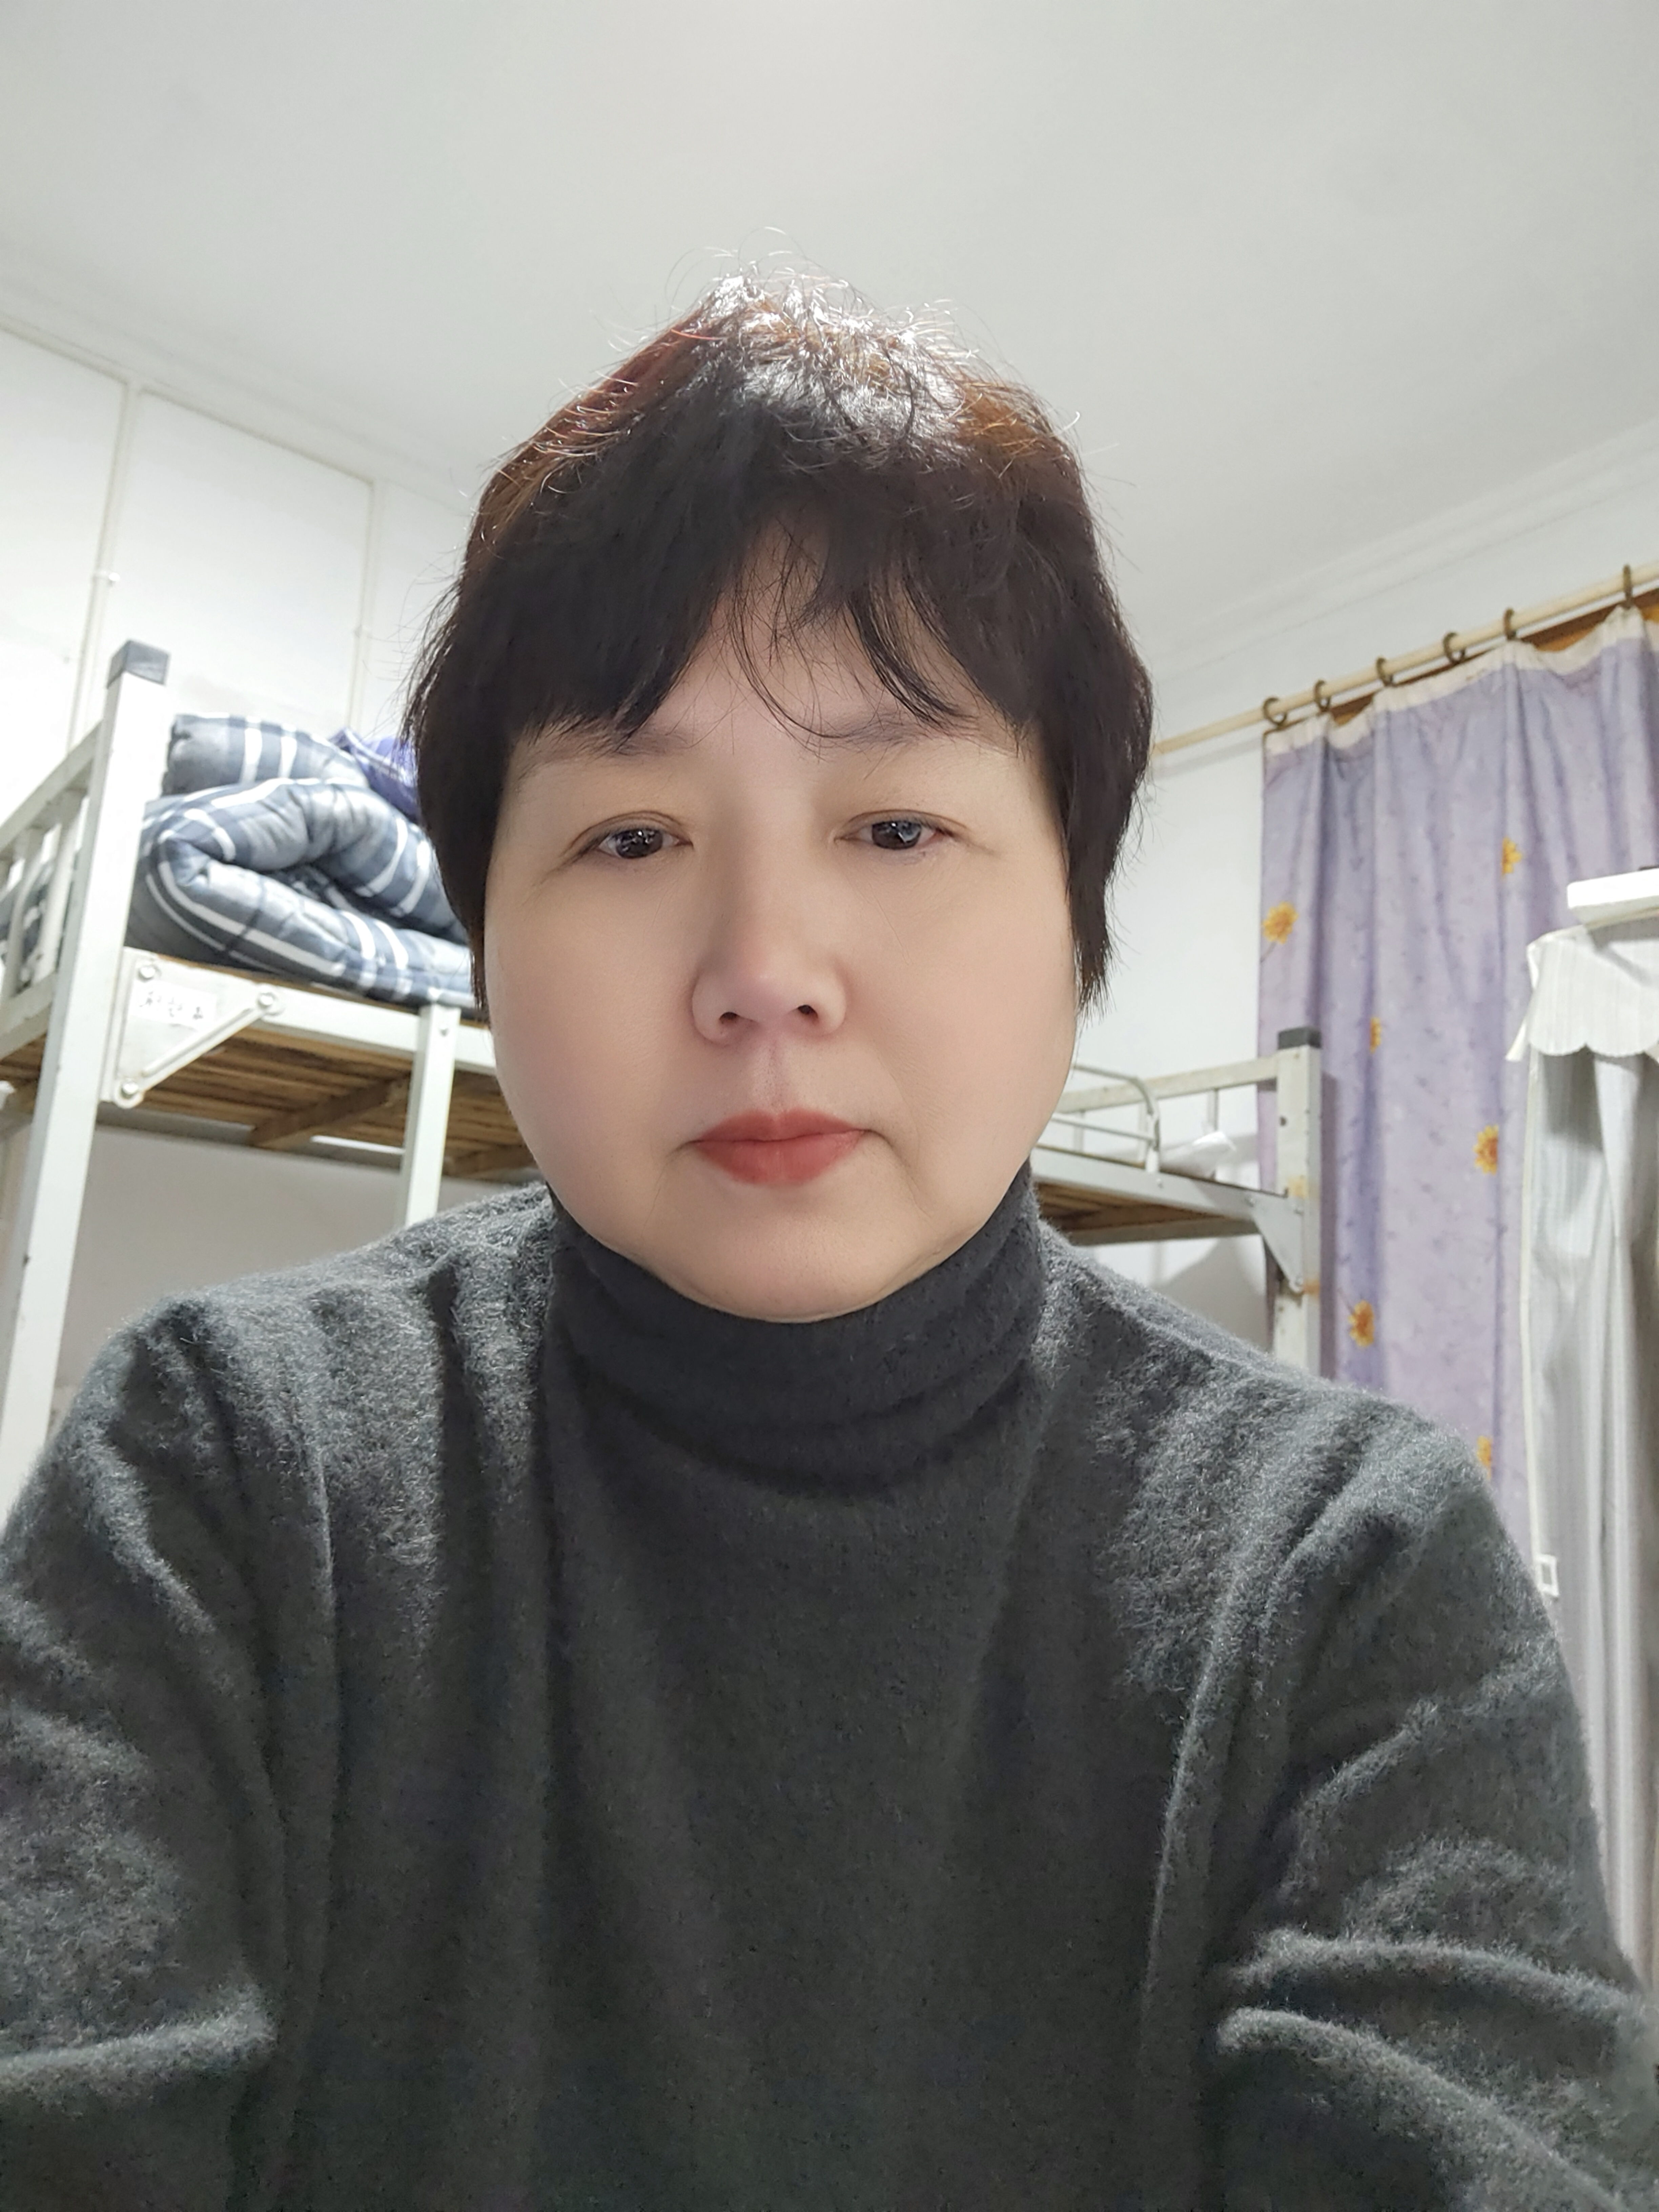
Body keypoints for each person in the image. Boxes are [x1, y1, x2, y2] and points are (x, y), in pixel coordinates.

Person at [2, 275, 1656, 2212]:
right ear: (487, 941)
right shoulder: (215, 1468)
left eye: (895, 828)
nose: (765, 971)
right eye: (631, 837)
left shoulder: (1351, 1571)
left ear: (1075, 926)